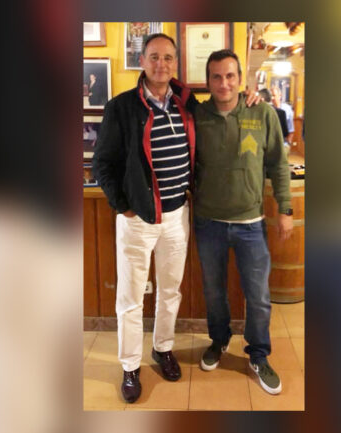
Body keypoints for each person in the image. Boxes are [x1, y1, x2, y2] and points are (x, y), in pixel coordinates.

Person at [92, 34, 262, 404]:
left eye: (168, 57)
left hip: (177, 216)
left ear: (175, 63)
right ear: (142, 61)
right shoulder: (121, 107)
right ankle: (130, 366)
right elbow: (102, 163)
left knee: (171, 291)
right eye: (154, 57)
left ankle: (163, 348)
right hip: (137, 219)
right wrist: (123, 206)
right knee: (130, 298)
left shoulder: (186, 103)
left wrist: (252, 96)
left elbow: (224, 106)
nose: (161, 64)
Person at [193, 49, 293, 395]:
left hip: (251, 223)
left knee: (259, 296)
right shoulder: (196, 115)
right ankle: (219, 340)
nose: (224, 83)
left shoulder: (261, 112)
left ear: (240, 79)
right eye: (217, 77)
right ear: (208, 81)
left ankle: (259, 355)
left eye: (230, 76)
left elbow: (279, 164)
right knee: (214, 292)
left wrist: (285, 208)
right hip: (208, 222)